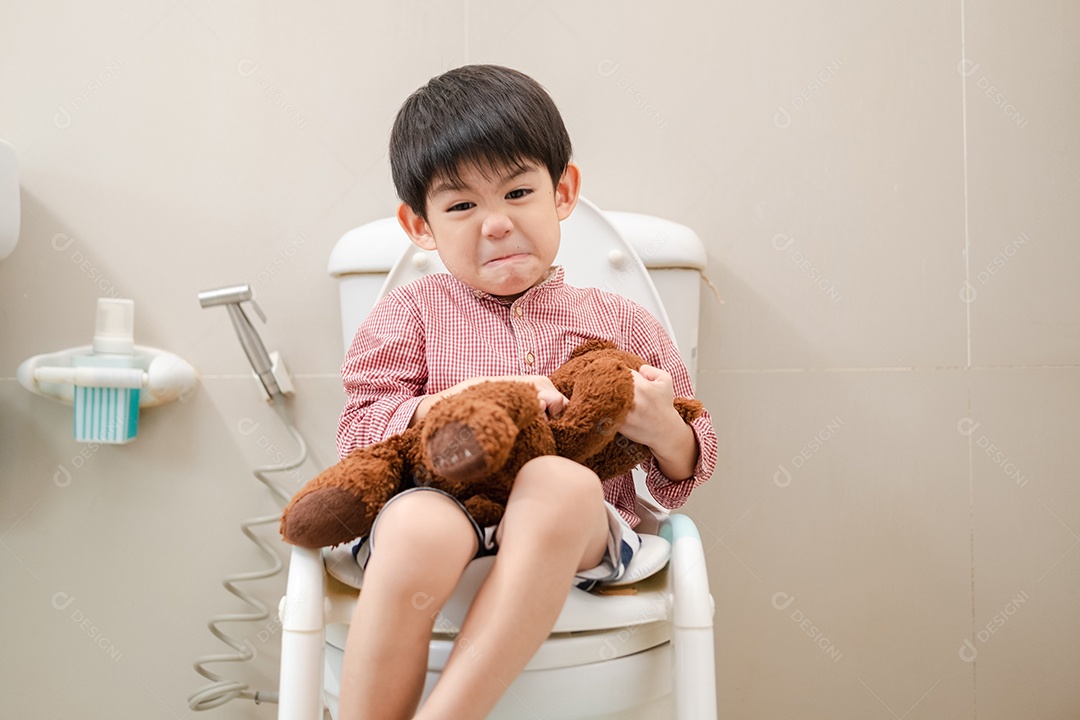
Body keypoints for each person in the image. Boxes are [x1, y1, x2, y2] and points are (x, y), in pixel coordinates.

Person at [336, 64, 716, 720]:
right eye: (461, 206)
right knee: (416, 522)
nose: (496, 224)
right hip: (439, 508)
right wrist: (446, 407)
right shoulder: (410, 312)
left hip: (575, 535)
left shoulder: (621, 319)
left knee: (559, 484)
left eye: (517, 193)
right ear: (419, 225)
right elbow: (358, 431)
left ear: (562, 191)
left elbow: (689, 459)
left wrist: (663, 429)